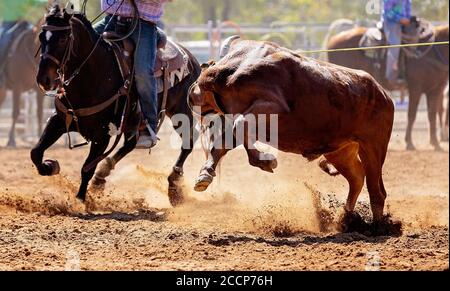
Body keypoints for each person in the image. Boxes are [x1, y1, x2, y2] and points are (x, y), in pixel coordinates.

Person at [94, 0, 171, 149]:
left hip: (142, 24)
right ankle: (70, 103)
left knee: (142, 72)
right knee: (78, 42)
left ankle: (149, 126)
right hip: (110, 19)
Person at [0, 0, 48, 87]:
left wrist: (46, 2)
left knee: (39, 37)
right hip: (8, 24)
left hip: (25, 23)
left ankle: (43, 70)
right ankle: (1, 73)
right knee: (3, 42)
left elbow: (37, 2)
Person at [382, 0, 412, 87]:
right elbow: (387, 12)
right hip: (391, 22)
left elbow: (408, 9)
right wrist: (400, 19)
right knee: (395, 44)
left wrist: (408, 18)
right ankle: (390, 75)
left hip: (405, 22)